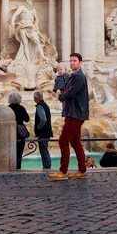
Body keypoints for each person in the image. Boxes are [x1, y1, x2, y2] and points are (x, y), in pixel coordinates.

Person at [51, 52, 89, 181]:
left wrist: (60, 96)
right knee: (75, 141)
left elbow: (71, 92)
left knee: (63, 140)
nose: (72, 63)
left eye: (75, 61)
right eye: (71, 61)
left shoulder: (78, 77)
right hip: (74, 113)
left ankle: (63, 171)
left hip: (75, 113)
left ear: (80, 63)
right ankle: (82, 169)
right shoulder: (75, 76)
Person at [8, 91, 30, 169]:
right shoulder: (21, 108)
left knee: (10, 152)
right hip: (20, 133)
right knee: (19, 153)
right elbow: (27, 119)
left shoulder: (7, 108)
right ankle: (18, 168)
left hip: (9, 132)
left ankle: (10, 168)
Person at [33, 90, 54, 169]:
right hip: (47, 132)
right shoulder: (45, 105)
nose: (33, 98)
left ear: (36, 97)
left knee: (43, 150)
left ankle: (47, 167)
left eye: (34, 97)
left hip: (43, 132)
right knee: (45, 149)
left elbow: (43, 119)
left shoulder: (39, 106)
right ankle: (47, 166)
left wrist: (38, 128)